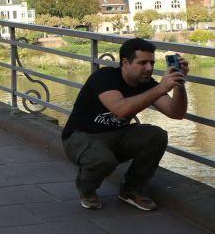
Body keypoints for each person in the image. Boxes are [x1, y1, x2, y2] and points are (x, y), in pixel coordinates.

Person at [61, 38, 188, 211]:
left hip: (117, 135)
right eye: (142, 63)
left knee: (156, 136)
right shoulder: (104, 77)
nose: (149, 68)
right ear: (125, 62)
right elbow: (120, 109)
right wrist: (161, 88)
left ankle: (132, 189)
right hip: (81, 137)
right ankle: (87, 189)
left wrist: (179, 85)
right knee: (102, 160)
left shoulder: (146, 84)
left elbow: (176, 113)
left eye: (151, 62)